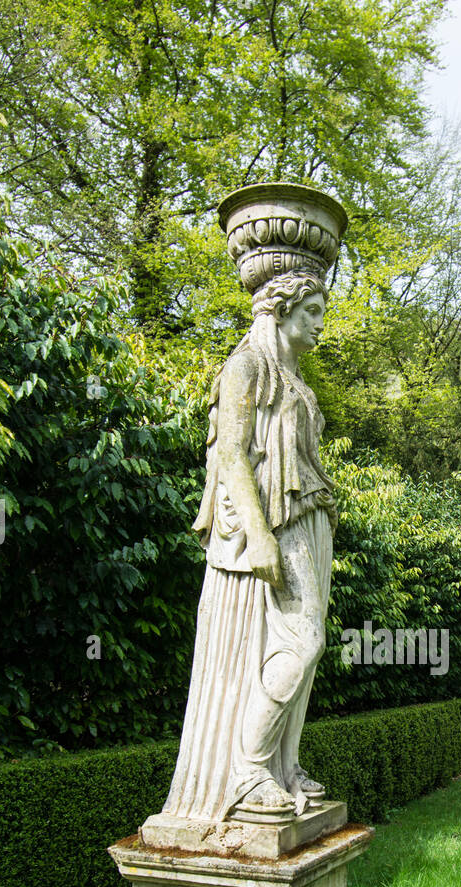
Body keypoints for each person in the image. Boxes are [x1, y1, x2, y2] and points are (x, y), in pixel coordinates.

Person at [162, 270, 336, 822]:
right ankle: (249, 768)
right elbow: (231, 455)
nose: (318, 323)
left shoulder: (296, 379)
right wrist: (258, 535)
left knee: (310, 651)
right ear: (280, 309)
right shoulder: (246, 366)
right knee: (301, 643)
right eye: (311, 310)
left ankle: (284, 767)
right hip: (276, 522)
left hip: (310, 519)